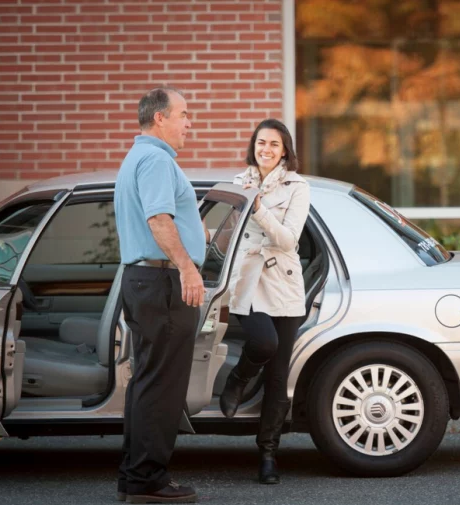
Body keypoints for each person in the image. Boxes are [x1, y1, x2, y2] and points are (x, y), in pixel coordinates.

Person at [113, 87, 210, 504]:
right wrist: (188, 267)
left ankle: (134, 476)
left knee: (147, 382)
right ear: (159, 119)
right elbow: (158, 219)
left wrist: (197, 235)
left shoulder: (138, 157)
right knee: (163, 386)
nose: (190, 123)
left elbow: (163, 219)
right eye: (184, 115)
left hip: (144, 280)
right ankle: (148, 481)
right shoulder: (155, 159)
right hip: (162, 282)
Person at [219, 118, 311, 485]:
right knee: (262, 343)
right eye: (261, 143)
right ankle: (238, 378)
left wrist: (257, 207)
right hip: (248, 280)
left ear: (285, 150)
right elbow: (228, 236)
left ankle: (268, 454)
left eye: (274, 144)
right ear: (253, 146)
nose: (266, 150)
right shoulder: (240, 183)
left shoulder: (297, 186)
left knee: (277, 376)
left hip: (283, 284)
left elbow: (289, 240)